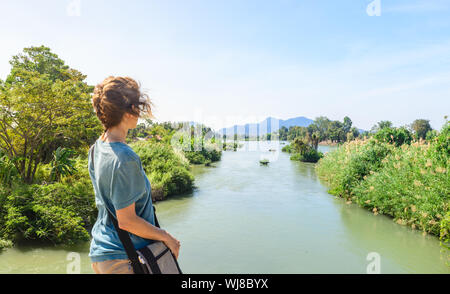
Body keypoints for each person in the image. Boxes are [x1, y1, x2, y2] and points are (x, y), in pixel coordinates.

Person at [88, 76, 180, 274]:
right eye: (137, 105)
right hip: (123, 259)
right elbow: (127, 220)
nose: (140, 111)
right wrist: (167, 238)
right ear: (128, 112)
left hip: (103, 252)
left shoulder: (97, 148)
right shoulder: (125, 158)